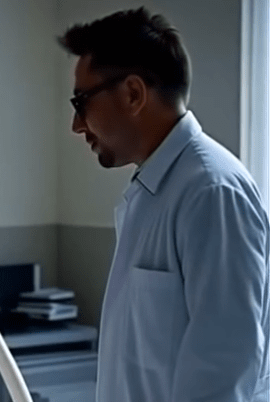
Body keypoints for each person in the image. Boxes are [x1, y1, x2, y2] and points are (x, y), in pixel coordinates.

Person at [58, 7, 269, 402]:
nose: (77, 125)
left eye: (81, 102)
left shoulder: (212, 192)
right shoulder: (153, 191)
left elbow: (224, 374)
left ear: (133, 94)